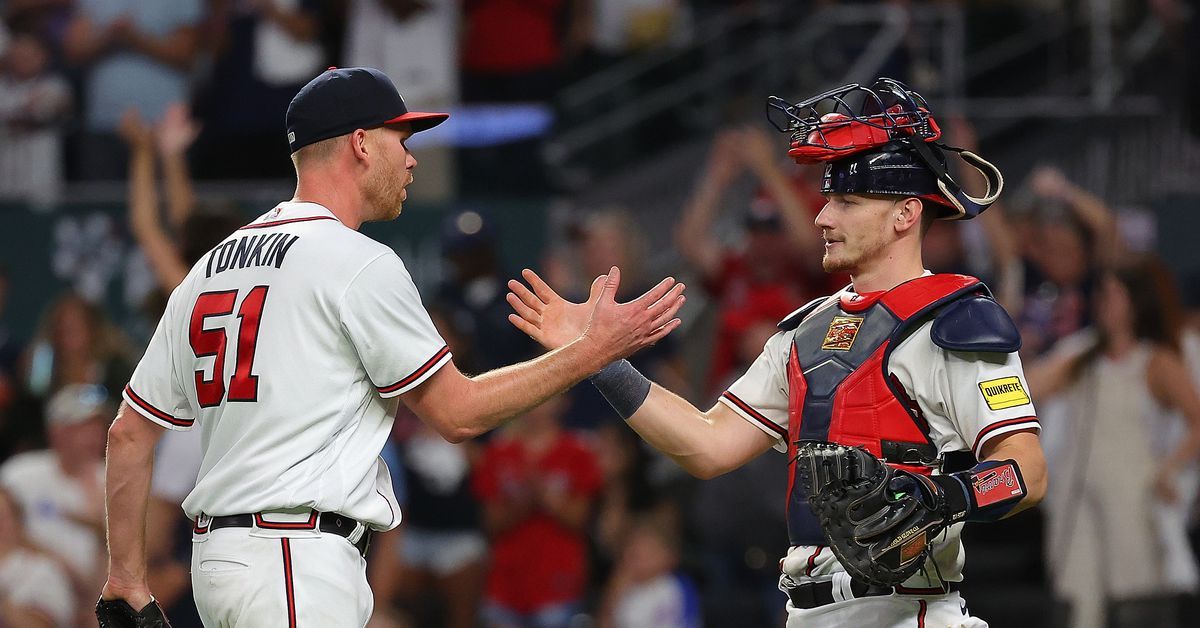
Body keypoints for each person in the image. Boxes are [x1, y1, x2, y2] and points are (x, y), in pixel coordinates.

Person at [97, 66, 686, 627]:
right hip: (292, 558)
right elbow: (459, 414)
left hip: (223, 563)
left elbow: (128, 432)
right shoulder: (356, 261)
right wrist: (592, 351)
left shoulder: (208, 269)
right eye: (400, 137)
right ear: (359, 143)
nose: (410, 158)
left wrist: (126, 575)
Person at [507, 78, 1048, 627]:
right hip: (807, 612)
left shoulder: (954, 321)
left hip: (909, 611)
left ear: (905, 213)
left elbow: (1025, 471)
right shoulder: (805, 332)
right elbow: (707, 444)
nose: (822, 217)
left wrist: (946, 497)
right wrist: (595, 357)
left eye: (847, 201)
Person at [1027, 256, 1200, 628]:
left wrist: (1170, 469)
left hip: (1132, 487)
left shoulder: (1156, 360)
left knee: (1132, 590)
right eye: (1102, 294)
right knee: (1077, 593)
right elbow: (1031, 386)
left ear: (1135, 302)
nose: (1104, 303)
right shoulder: (1082, 356)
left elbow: (1197, 421)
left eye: (1113, 295)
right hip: (1077, 488)